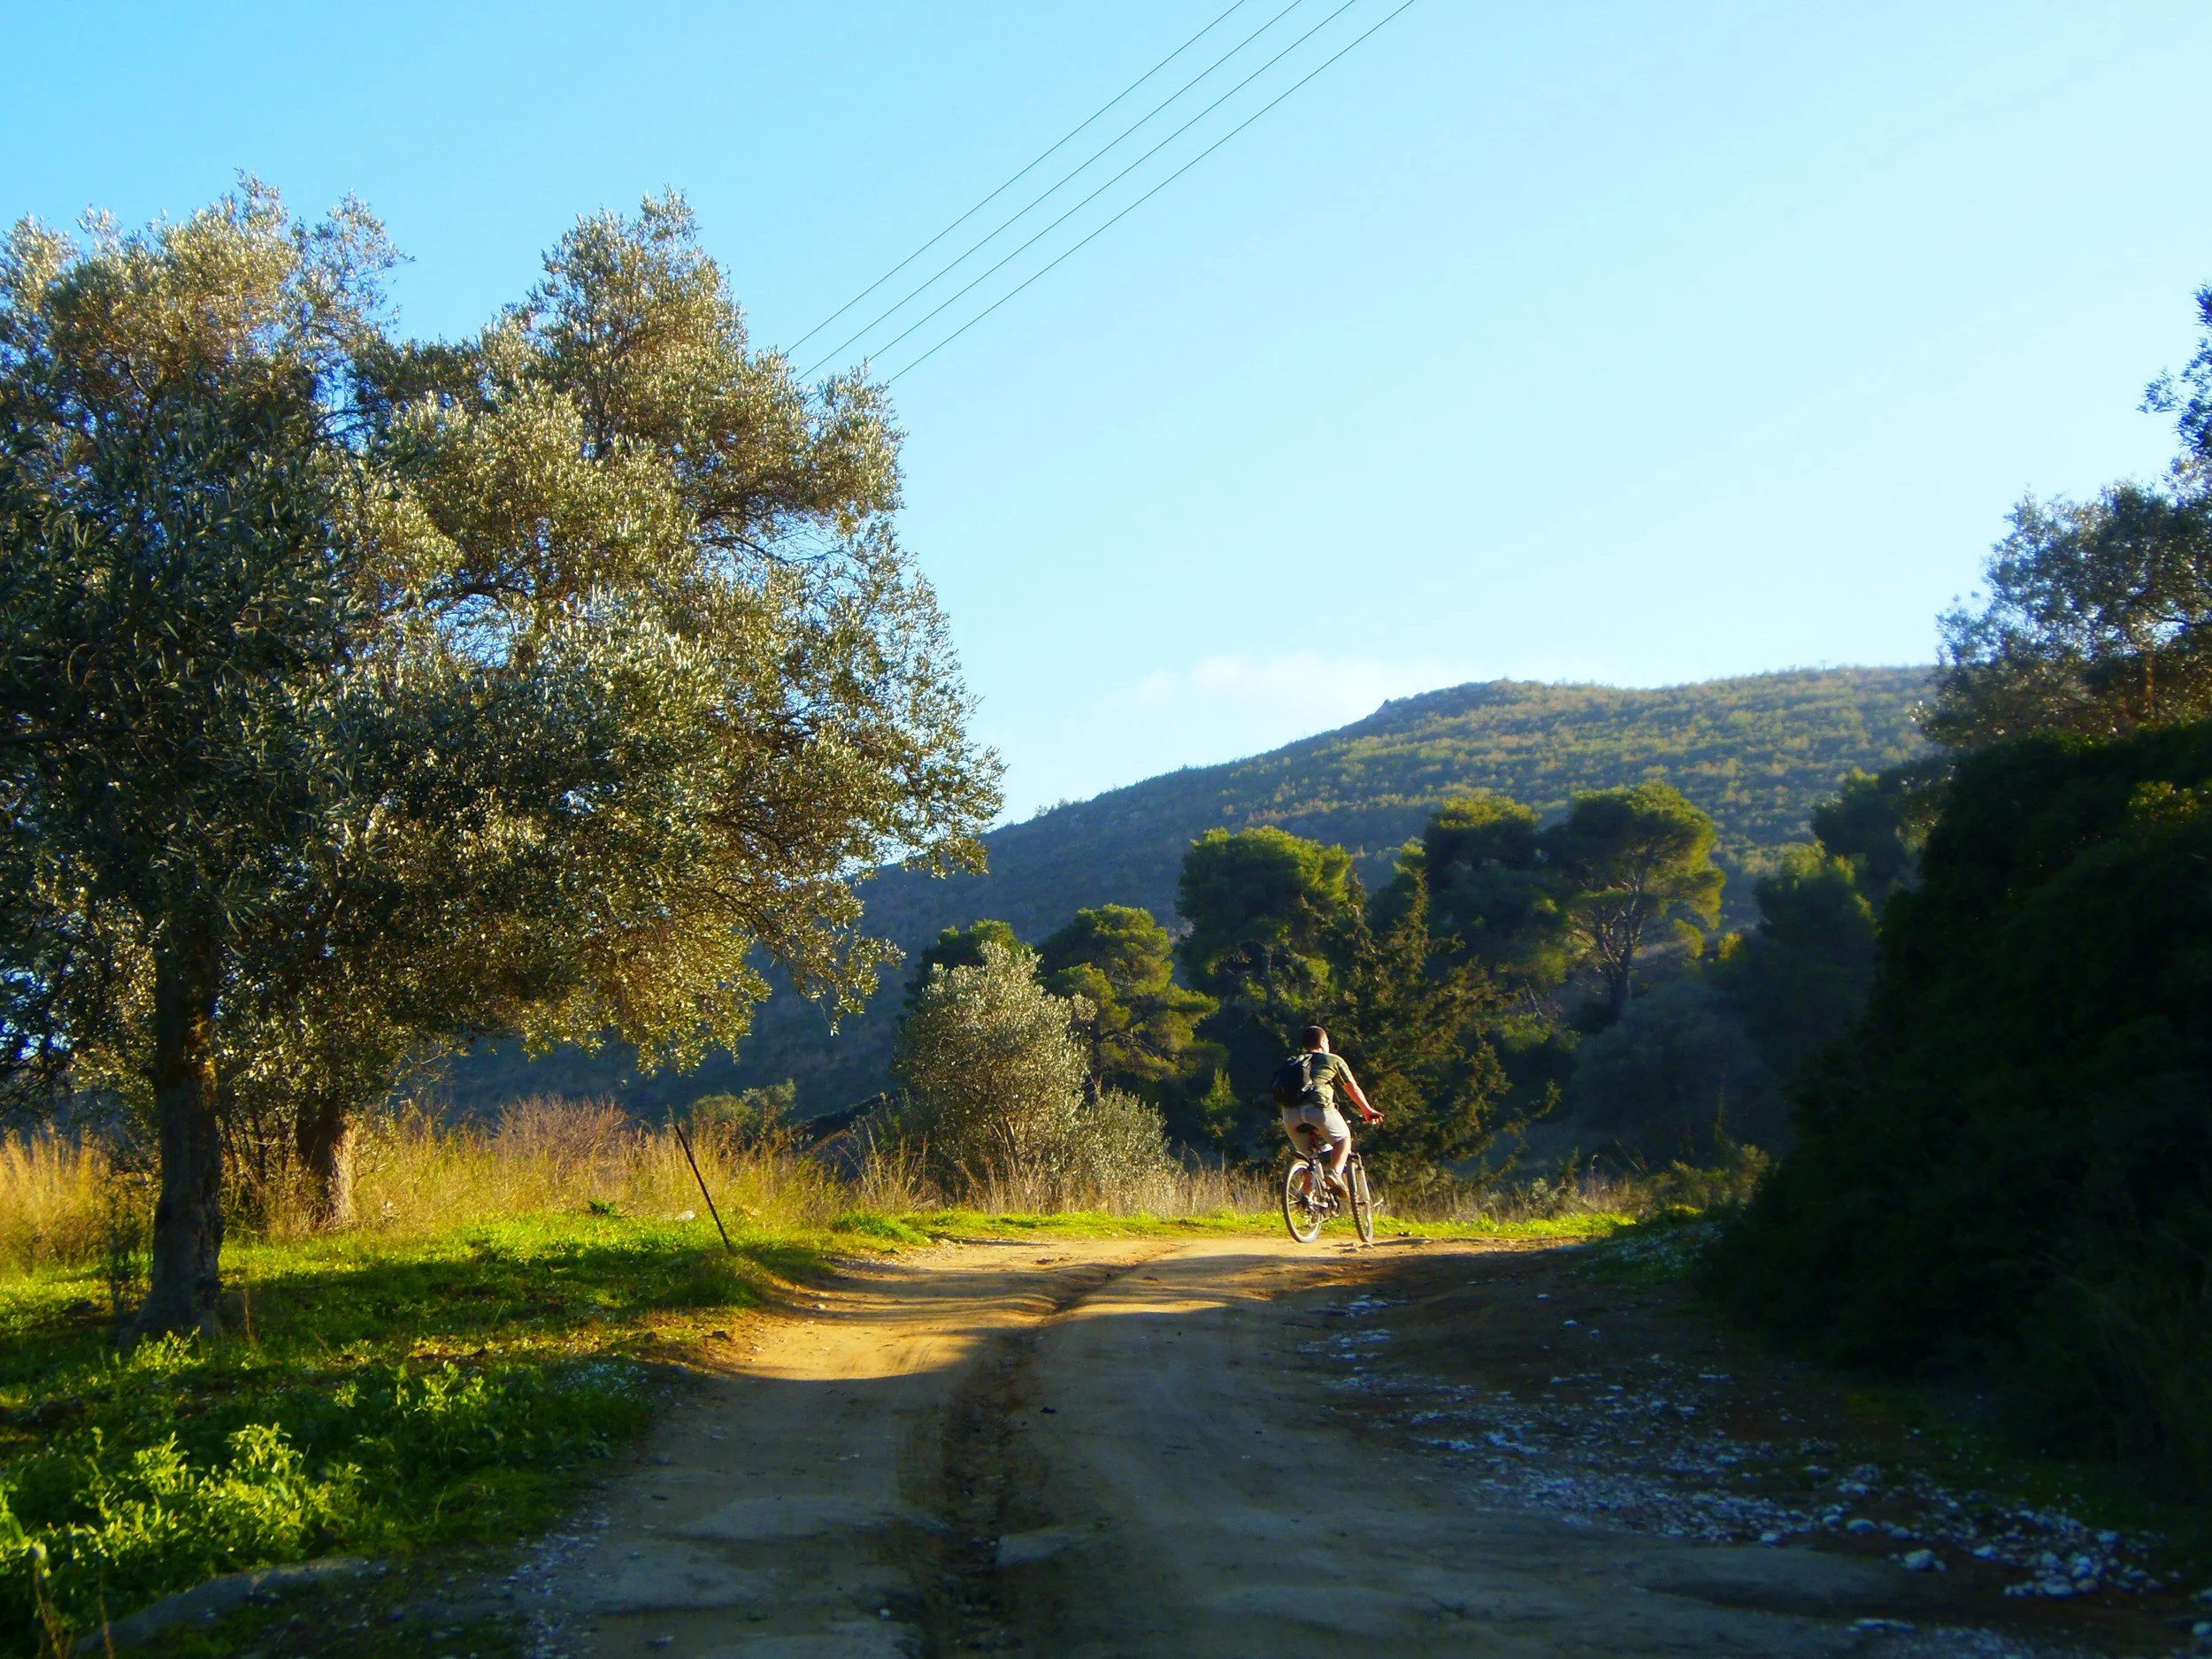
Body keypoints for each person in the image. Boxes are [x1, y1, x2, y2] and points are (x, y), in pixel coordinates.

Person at [1278, 1025, 1381, 1192]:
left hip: (1289, 1114)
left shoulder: (1292, 1061)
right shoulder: (1332, 1059)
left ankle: (1307, 1201)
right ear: (1323, 1042)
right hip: (1318, 1109)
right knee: (1343, 1139)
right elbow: (1351, 1088)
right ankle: (1335, 1173)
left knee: (1309, 1160)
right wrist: (1368, 1111)